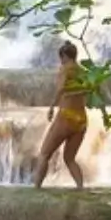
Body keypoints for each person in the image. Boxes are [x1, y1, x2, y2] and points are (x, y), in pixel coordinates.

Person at [31, 41, 89, 189]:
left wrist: (51, 107)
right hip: (81, 120)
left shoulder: (65, 69)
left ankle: (36, 188)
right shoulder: (83, 71)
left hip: (66, 117)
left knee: (44, 154)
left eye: (61, 57)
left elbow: (60, 88)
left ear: (64, 56)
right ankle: (80, 188)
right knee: (70, 158)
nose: (60, 61)